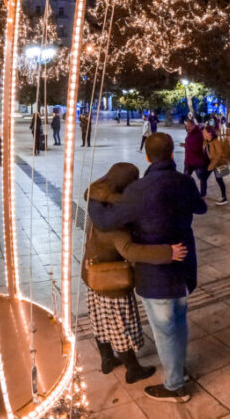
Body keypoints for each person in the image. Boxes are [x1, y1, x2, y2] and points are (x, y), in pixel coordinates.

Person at [89, 132, 207, 403]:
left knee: (165, 330)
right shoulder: (185, 181)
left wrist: (94, 196)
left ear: (147, 156)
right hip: (184, 267)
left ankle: (175, 385)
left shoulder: (138, 190)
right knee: (179, 320)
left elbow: (107, 221)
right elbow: (201, 209)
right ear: (172, 153)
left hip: (157, 275)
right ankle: (180, 369)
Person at [84, 163, 187, 384]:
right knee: (119, 324)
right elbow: (130, 250)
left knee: (99, 320)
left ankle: (107, 359)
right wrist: (168, 252)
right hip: (113, 280)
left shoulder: (97, 201)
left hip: (92, 274)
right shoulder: (114, 221)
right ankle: (132, 369)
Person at [182, 120, 209, 198]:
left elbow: (198, 147)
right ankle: (185, 193)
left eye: (189, 126)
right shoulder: (189, 133)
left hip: (198, 161)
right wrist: (186, 145)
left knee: (202, 178)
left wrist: (187, 146)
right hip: (188, 160)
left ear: (194, 125)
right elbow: (190, 144)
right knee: (185, 178)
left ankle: (203, 194)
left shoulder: (199, 134)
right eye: (187, 126)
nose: (187, 128)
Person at [203, 127, 229, 205]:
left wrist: (211, 165)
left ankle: (224, 198)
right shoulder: (206, 141)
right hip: (211, 163)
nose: (203, 134)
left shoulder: (216, 142)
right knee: (203, 178)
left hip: (218, 163)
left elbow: (219, 155)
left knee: (219, 180)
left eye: (204, 132)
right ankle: (202, 195)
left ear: (209, 133)